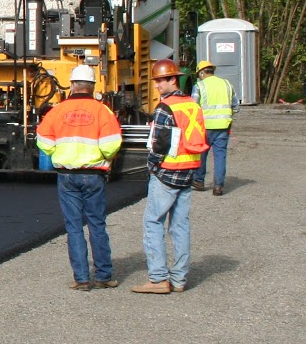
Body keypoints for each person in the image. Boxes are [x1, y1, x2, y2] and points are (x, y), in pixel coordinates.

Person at [35, 65, 123, 291]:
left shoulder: (56, 111)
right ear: (93, 87)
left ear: (72, 85)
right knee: (97, 224)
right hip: (93, 175)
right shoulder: (103, 111)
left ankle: (82, 279)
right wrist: (103, 157)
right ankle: (103, 276)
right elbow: (112, 144)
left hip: (66, 176)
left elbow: (43, 141)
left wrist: (58, 154)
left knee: (74, 227)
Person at [134, 58, 209, 294]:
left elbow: (160, 143)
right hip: (188, 171)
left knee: (153, 222)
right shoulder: (192, 105)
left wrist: (152, 167)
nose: (157, 85)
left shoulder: (165, 108)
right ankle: (179, 279)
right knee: (180, 226)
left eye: (160, 81)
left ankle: (158, 279)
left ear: (172, 79)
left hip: (166, 173)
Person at [191, 59, 237, 195]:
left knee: (201, 154)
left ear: (202, 73)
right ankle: (218, 186)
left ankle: (199, 181)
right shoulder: (227, 84)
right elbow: (235, 106)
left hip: (204, 126)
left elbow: (193, 106)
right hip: (223, 126)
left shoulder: (199, 86)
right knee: (220, 156)